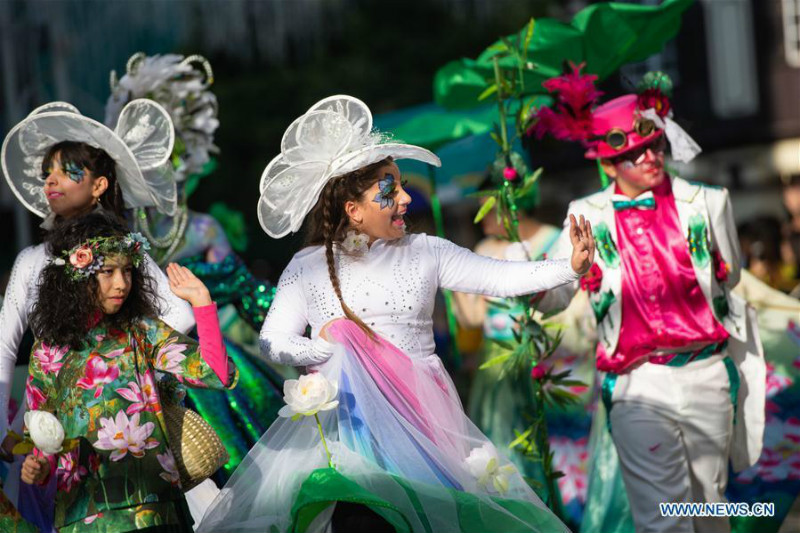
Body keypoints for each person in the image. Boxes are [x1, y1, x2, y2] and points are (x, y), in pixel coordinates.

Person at [197, 95, 595, 533]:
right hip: (349, 428)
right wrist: (334, 346)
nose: (406, 197)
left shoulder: (426, 251)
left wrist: (569, 267)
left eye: (402, 184)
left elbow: (499, 278)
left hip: (423, 419)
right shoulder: (309, 265)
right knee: (364, 521)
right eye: (390, 189)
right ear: (353, 210)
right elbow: (274, 340)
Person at [532, 69, 765, 533]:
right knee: (662, 518)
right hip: (637, 385)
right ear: (609, 162)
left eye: (654, 144)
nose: (650, 155)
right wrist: (528, 278)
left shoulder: (709, 203)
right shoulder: (585, 215)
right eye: (634, 152)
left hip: (707, 372)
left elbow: (731, 274)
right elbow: (555, 294)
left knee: (708, 506)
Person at [0, 100, 194, 531]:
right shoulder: (31, 259)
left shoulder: (123, 249)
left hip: (127, 429)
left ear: (100, 184)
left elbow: (179, 315)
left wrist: (127, 363)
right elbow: (4, 347)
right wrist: (4, 430)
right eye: (46, 173)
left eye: (69, 170)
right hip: (49, 432)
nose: (52, 180)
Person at [105, 53, 288, 485]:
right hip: (144, 364)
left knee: (251, 472)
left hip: (206, 362)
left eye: (178, 158)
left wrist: (297, 328)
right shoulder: (123, 228)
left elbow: (244, 291)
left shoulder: (205, 228)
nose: (172, 172)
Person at [19, 212, 236, 533]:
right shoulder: (48, 351)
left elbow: (216, 374)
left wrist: (202, 303)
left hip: (154, 511)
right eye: (108, 271)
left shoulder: (141, 331)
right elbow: (40, 431)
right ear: (77, 275)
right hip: (84, 517)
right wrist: (35, 467)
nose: (121, 283)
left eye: (127, 271)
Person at [451, 175, 596, 523]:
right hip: (498, 373)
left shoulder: (555, 241)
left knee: (557, 448)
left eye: (488, 210)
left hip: (547, 365)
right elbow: (473, 319)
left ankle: (567, 516)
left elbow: (572, 309)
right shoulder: (483, 251)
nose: (483, 220)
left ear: (509, 207)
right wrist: (454, 286)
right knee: (504, 449)